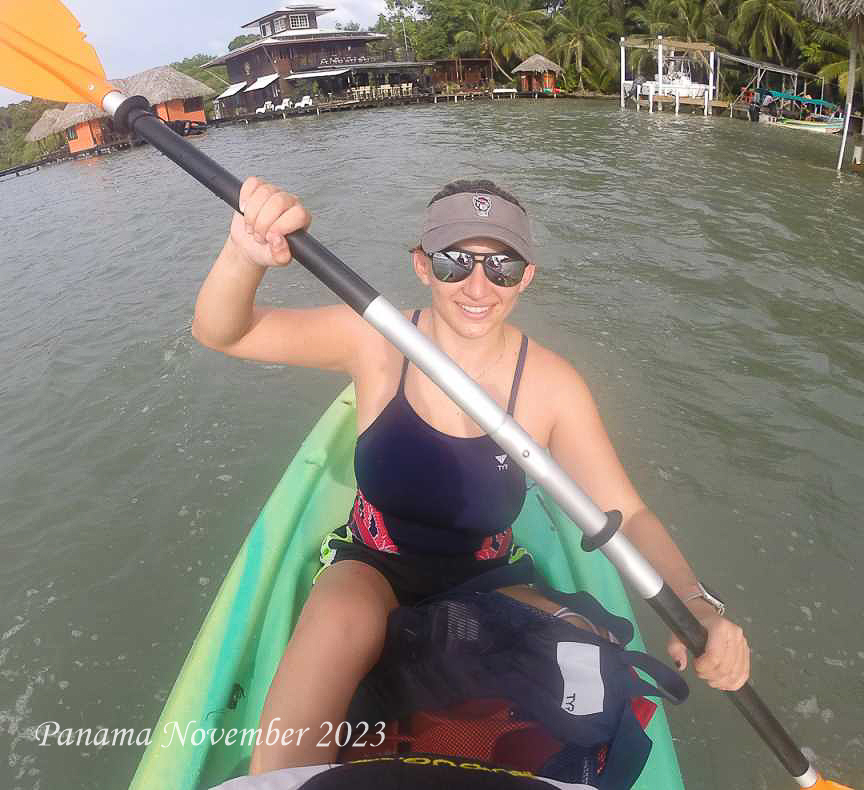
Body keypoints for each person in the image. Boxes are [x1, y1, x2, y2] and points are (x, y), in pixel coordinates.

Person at [191, 177, 751, 775]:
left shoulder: (552, 386)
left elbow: (627, 513)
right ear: (422, 266)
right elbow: (224, 331)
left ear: (527, 276)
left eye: (501, 267)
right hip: (374, 562)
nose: (478, 286)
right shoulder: (375, 340)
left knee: (586, 659)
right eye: (455, 262)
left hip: (487, 577)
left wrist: (698, 606)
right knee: (334, 631)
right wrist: (245, 255)